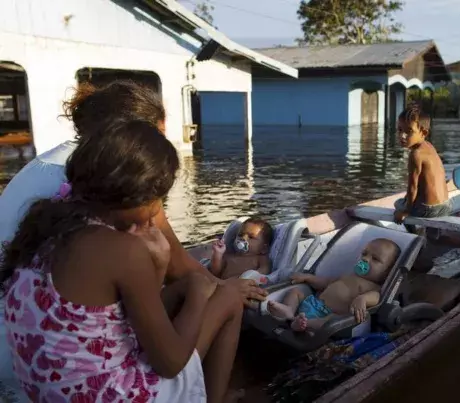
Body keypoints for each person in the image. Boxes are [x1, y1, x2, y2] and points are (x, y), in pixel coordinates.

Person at [2, 120, 243, 403]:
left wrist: (162, 264)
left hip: (52, 391)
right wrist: (200, 296)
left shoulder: (47, 223)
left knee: (187, 284)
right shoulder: (122, 250)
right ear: (142, 197)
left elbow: (120, 317)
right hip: (116, 396)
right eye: (159, 199)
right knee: (228, 296)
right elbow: (171, 363)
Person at [0, 80, 266, 305]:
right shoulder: (119, 172)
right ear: (131, 138)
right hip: (33, 354)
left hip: (21, 324)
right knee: (211, 298)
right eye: (158, 137)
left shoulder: (49, 162)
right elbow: (179, 269)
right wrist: (227, 289)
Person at [393, 106, 460, 261]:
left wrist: (405, 211)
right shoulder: (429, 147)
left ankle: (415, 239)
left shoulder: (415, 154)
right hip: (446, 205)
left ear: (424, 132)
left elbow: (413, 187)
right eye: (400, 130)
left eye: (408, 131)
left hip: (429, 210)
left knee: (397, 205)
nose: (402, 135)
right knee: (434, 238)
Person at [267, 239, 400, 332]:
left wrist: (362, 299)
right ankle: (289, 309)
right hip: (314, 302)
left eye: (375, 259)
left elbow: (377, 297)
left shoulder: (373, 287)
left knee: (330, 322)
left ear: (387, 273)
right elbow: (326, 283)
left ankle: (301, 324)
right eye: (364, 254)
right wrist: (308, 277)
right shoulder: (348, 276)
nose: (365, 259)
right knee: (296, 292)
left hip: (328, 315)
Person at [207, 218, 273, 280]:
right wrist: (218, 254)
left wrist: (253, 276)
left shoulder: (260, 259)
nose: (243, 238)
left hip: (243, 288)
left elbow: (265, 270)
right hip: (224, 287)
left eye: (251, 237)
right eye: (240, 235)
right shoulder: (229, 256)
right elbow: (215, 272)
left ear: (264, 248)